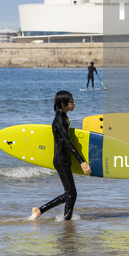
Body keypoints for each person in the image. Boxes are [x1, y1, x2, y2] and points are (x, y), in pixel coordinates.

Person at [30, 91, 92, 220]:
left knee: (70, 194)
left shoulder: (62, 117)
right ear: (63, 104)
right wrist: (82, 162)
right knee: (71, 194)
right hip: (61, 160)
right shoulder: (60, 119)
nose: (74, 103)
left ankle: (46, 213)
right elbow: (68, 142)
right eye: (71, 102)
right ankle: (62, 219)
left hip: (63, 159)